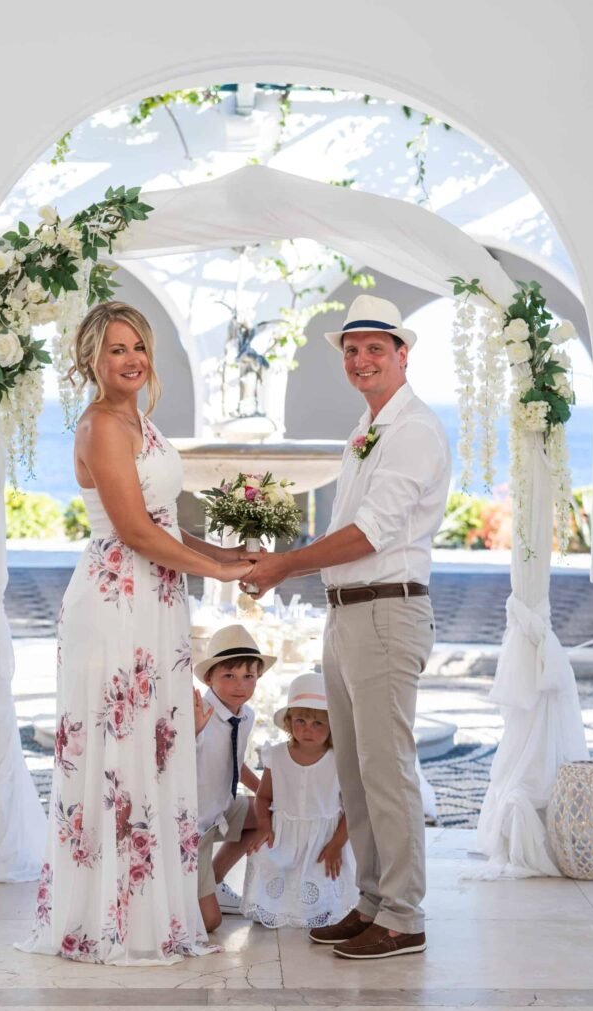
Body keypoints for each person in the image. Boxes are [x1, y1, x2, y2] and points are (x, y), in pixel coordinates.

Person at [17, 301, 250, 966]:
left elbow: (165, 522)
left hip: (157, 600)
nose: (131, 359)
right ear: (91, 359)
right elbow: (136, 533)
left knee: (153, 743)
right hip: (116, 604)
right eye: (116, 349)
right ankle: (106, 921)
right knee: (117, 751)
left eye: (138, 347)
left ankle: (152, 915)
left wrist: (229, 555)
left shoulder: (139, 421)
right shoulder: (98, 425)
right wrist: (216, 573)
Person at [242, 294, 451, 960]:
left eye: (375, 349)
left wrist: (283, 565)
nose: (361, 360)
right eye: (352, 350)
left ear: (402, 355)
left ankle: (404, 915)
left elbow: (367, 534)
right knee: (356, 773)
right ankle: (371, 903)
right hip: (349, 612)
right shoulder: (367, 428)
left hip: (387, 609)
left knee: (387, 771)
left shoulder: (413, 430)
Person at [241, 672, 357, 929]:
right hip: (284, 835)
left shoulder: (339, 760)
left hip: (324, 839)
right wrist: (264, 826)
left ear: (332, 725)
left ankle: (319, 910)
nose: (307, 729)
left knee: (323, 872)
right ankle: (272, 908)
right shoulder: (277, 756)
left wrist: (337, 843)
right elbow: (263, 797)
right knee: (263, 855)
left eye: (318, 723)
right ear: (288, 721)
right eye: (300, 721)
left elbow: (353, 809)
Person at [192, 624, 276, 932]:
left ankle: (213, 880)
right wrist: (193, 732)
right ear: (208, 678)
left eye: (248, 676)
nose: (240, 685)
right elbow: (174, 763)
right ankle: (193, 886)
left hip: (222, 810)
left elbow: (235, 761)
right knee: (210, 923)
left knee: (271, 811)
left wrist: (268, 794)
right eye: (229, 675)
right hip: (194, 826)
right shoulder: (197, 713)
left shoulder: (246, 715)